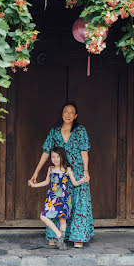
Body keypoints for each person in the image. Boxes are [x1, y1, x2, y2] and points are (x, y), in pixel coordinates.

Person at [30, 101, 94, 248]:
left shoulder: (80, 130)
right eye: (66, 111)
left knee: (79, 203)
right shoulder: (54, 131)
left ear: (76, 116)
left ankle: (78, 237)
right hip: (59, 173)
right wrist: (36, 172)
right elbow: (46, 151)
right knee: (59, 202)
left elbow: (84, 151)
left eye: (72, 112)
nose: (68, 114)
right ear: (62, 113)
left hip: (76, 172)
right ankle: (55, 236)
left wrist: (85, 171)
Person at [28, 146, 86, 249]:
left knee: (62, 221)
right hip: (52, 198)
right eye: (53, 157)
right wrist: (34, 185)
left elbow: (74, 183)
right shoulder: (50, 169)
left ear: (62, 157)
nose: (55, 159)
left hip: (64, 198)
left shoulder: (67, 169)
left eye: (57, 157)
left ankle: (61, 242)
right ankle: (58, 234)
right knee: (43, 216)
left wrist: (82, 180)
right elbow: (47, 182)